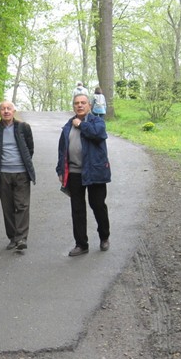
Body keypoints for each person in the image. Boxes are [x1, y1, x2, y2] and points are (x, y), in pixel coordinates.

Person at [56, 94, 111, 256]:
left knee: (98, 206)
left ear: (89, 105)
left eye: (83, 103)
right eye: (76, 103)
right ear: (73, 106)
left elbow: (98, 134)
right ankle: (81, 244)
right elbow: (62, 150)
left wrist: (81, 125)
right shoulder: (68, 125)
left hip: (95, 171)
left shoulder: (97, 121)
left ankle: (104, 237)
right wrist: (60, 170)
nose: (79, 105)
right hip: (74, 173)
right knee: (77, 209)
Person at [0, 101, 36, 251]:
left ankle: (21, 238)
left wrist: (22, 164)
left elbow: (30, 148)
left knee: (22, 205)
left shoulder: (23, 127)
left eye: (9, 108)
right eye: (3, 109)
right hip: (3, 174)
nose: (6, 111)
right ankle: (13, 237)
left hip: (21, 173)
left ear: (14, 111)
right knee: (7, 207)